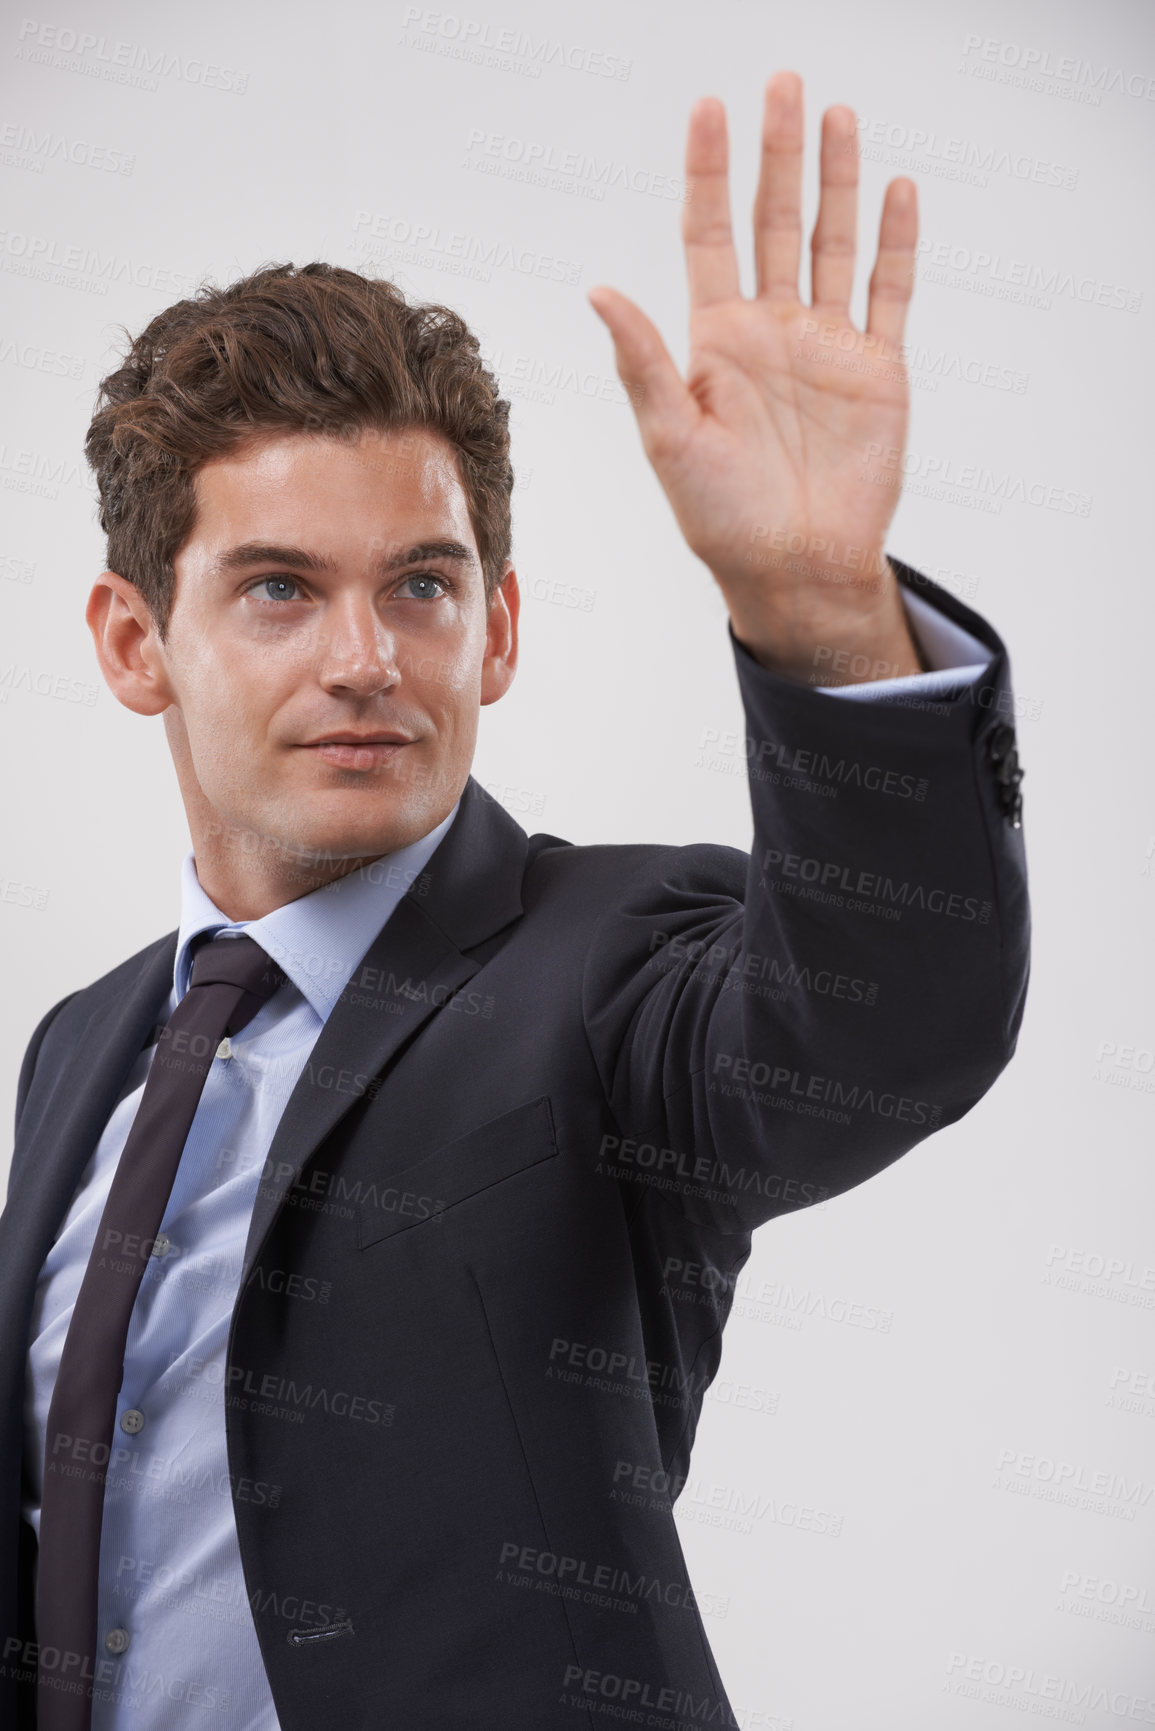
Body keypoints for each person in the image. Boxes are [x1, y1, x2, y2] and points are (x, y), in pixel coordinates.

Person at [1, 71, 1029, 1731]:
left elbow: (885, 1022)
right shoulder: (82, 1046)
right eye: (279, 589)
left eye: (423, 584)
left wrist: (824, 615)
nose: (366, 661)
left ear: (498, 630)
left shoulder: (608, 967)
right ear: (136, 645)